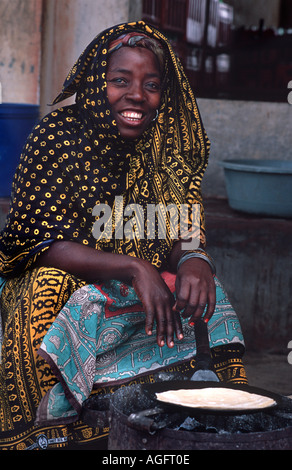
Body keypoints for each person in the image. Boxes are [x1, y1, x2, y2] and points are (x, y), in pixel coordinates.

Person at [0, 21, 247, 450]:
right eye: (120, 80)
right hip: (64, 279)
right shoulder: (56, 139)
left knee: (209, 294)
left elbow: (183, 228)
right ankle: (49, 436)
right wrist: (134, 266)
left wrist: (192, 259)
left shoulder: (168, 149)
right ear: (97, 82)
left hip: (132, 293)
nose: (136, 95)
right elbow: (40, 244)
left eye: (151, 84)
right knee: (48, 288)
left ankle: (192, 419)